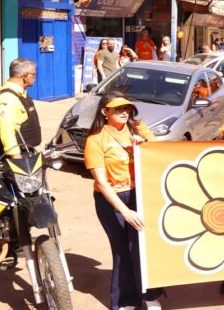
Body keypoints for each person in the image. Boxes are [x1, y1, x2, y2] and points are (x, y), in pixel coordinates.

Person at [83, 92, 164, 310]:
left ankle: (149, 296)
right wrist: (125, 212)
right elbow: (102, 183)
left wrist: (143, 146)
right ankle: (126, 300)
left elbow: (160, 157)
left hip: (139, 194)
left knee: (140, 247)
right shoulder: (95, 139)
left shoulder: (139, 128)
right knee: (122, 249)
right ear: (105, 112)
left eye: (126, 108)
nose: (123, 112)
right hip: (111, 200)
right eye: (117, 109)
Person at [0, 58, 41, 159]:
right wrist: (18, 160)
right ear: (25, 76)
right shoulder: (8, 98)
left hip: (26, 152)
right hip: (15, 158)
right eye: (34, 75)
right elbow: (7, 131)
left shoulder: (20, 94)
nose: (35, 78)